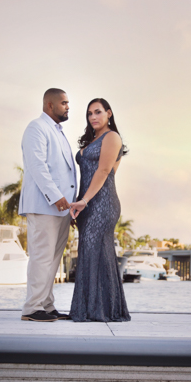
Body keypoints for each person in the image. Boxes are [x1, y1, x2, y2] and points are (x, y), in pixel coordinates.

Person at [68, 98, 130, 322]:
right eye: (89, 114)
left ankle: (99, 310)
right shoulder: (91, 140)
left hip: (102, 203)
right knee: (91, 252)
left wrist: (84, 200)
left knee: (94, 250)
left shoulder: (112, 137)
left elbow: (105, 171)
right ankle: (95, 309)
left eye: (98, 112)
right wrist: (79, 203)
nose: (93, 117)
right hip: (86, 202)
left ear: (109, 113)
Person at [19, 88, 77, 322]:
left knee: (53, 259)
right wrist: (55, 196)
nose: (67, 106)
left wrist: (69, 206)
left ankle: (46, 305)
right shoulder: (36, 128)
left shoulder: (58, 131)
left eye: (68, 103)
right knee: (42, 256)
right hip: (45, 206)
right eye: (63, 103)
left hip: (62, 209)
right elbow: (37, 166)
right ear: (50, 105)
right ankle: (32, 308)